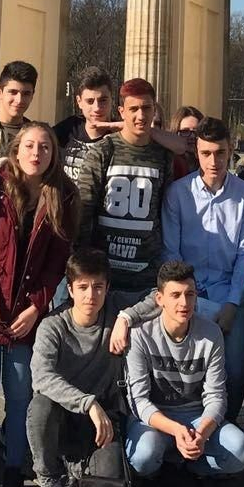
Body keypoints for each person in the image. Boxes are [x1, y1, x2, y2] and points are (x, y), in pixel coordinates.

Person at [0, 122, 78, 487]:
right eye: (29, 145)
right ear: (16, 150)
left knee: (20, 394)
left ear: (53, 154)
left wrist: (37, 306)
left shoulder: (63, 193)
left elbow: (58, 261)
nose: (36, 153)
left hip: (27, 314)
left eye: (44, 147)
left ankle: (14, 468)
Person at [123, 261, 244, 487]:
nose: (184, 303)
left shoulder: (211, 332)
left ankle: (188, 469)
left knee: (240, 451)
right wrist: (176, 429)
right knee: (143, 456)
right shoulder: (140, 335)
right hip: (156, 420)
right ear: (159, 299)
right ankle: (157, 474)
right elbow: (138, 401)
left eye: (190, 294)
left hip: (196, 417)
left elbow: (216, 396)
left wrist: (201, 433)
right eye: (175, 295)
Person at [28, 247, 130, 487]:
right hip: (62, 417)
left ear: (107, 287)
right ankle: (50, 486)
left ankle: (78, 476)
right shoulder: (52, 326)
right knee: (40, 406)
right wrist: (88, 403)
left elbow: (156, 299)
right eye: (82, 287)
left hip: (101, 422)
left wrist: (126, 318)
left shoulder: (115, 310)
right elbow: (42, 376)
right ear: (70, 290)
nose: (90, 295)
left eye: (98, 287)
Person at [160, 117, 244, 398]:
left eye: (220, 153)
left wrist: (232, 302)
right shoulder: (178, 193)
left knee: (238, 370)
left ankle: (225, 424)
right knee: (188, 370)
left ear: (230, 152)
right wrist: (188, 297)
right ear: (197, 153)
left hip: (229, 291)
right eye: (206, 153)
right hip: (187, 292)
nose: (213, 161)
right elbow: (171, 251)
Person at [74, 78, 178, 315]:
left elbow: (164, 210)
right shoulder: (103, 150)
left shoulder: (163, 157)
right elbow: (85, 208)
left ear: (154, 110)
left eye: (146, 108)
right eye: (133, 109)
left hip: (146, 277)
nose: (140, 115)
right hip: (105, 275)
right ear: (122, 111)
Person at [53, 66, 116, 182]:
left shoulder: (120, 135)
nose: (97, 108)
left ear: (112, 99)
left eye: (103, 100)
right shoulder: (67, 129)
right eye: (90, 101)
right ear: (79, 102)